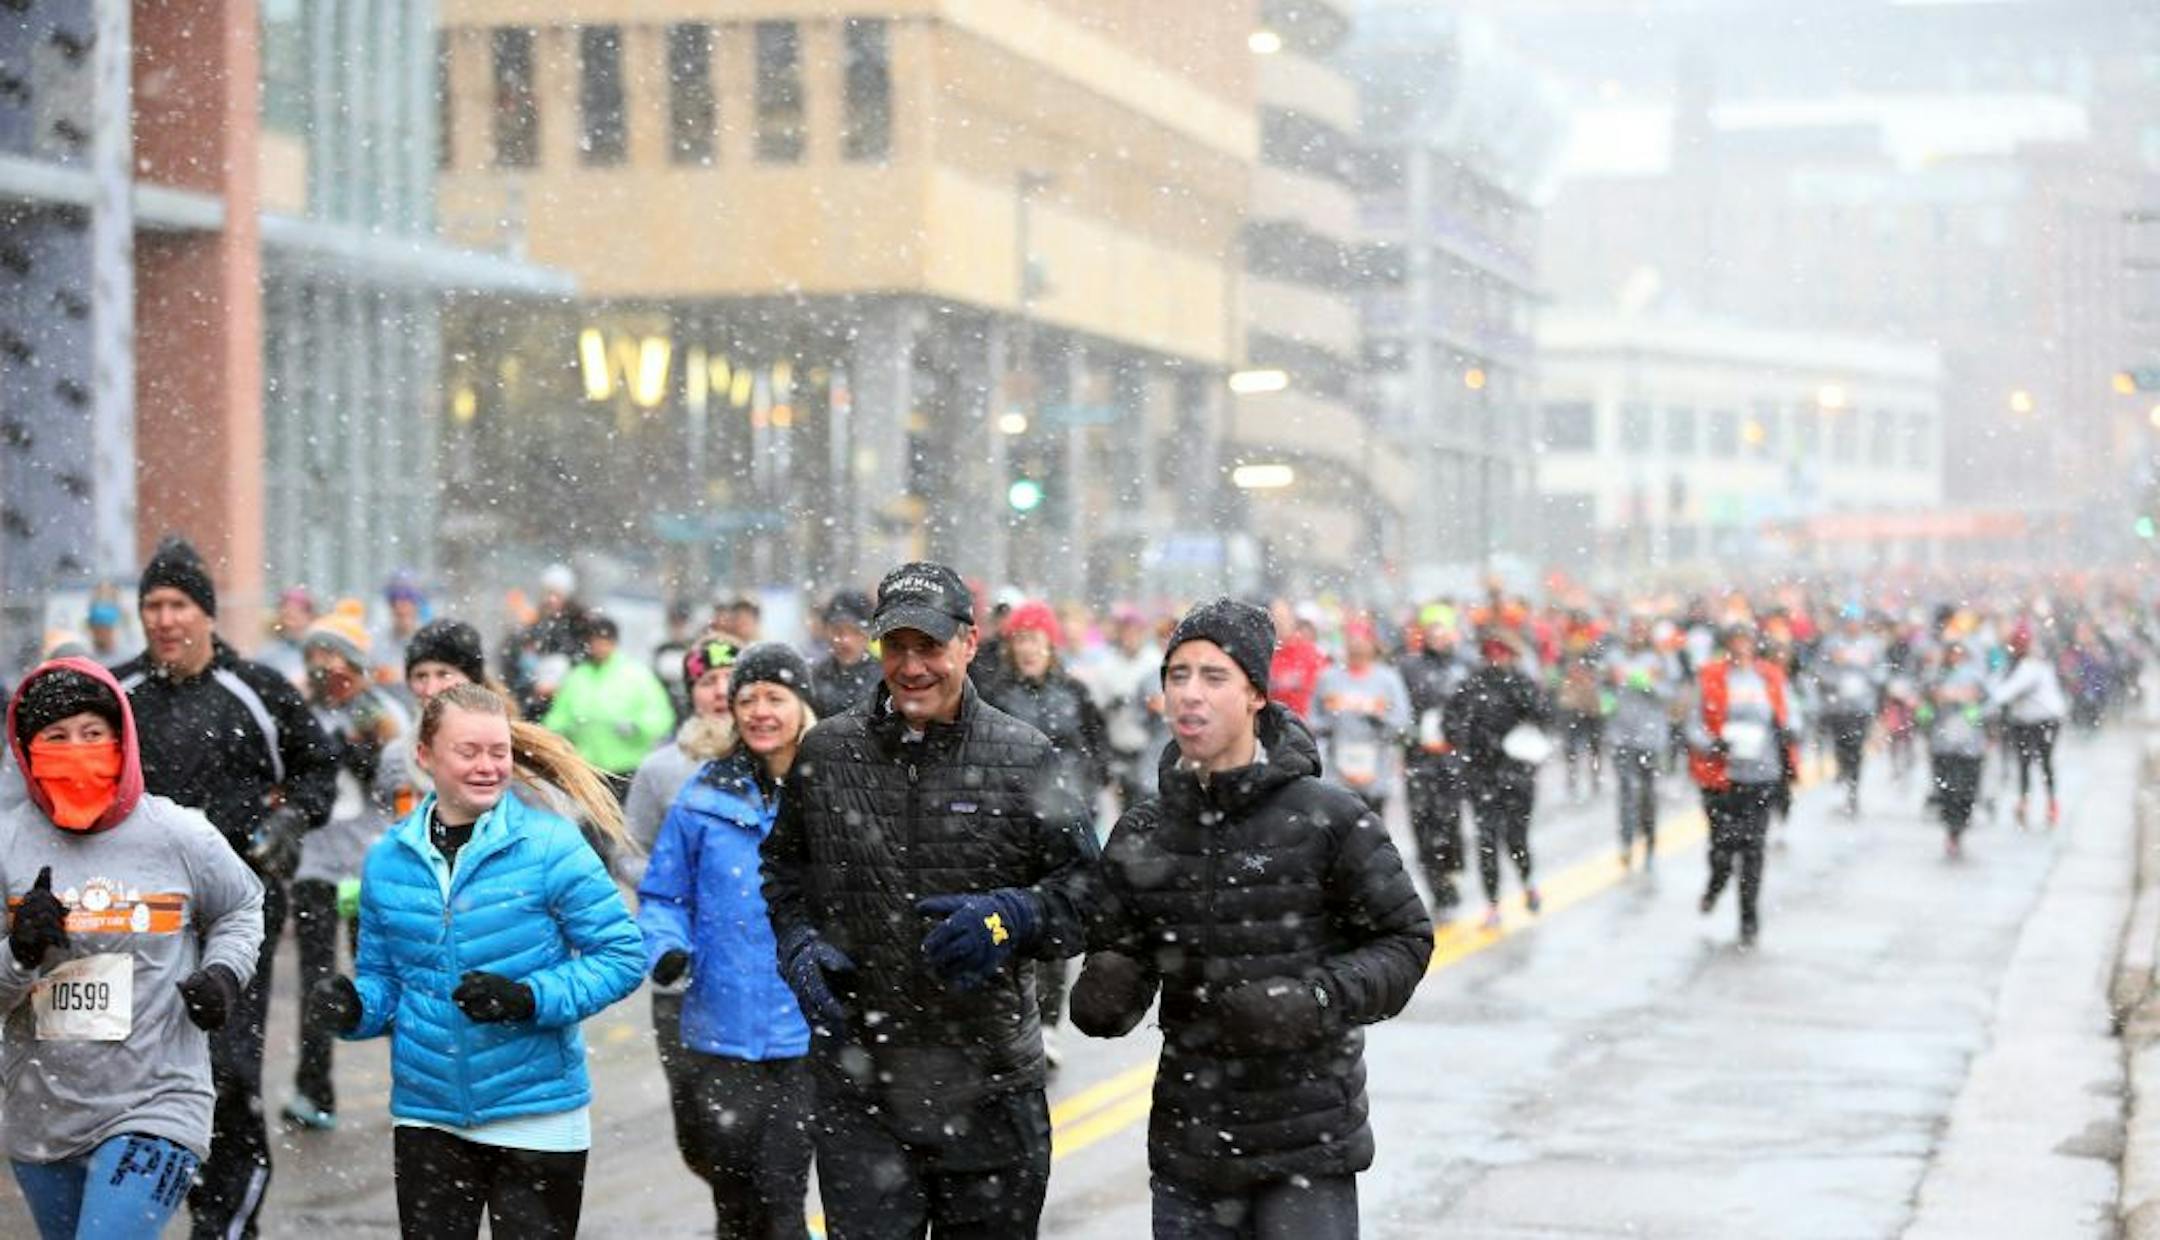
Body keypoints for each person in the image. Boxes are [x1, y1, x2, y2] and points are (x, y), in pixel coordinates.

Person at [1067, 598, 1433, 1239]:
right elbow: (1125, 953)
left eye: (1213, 677)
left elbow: (1405, 942)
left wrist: (1315, 996)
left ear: (1256, 694)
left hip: (1304, 1151)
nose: (1190, 695)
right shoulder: (1145, 829)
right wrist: (1112, 982)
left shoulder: (1328, 817)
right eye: (1177, 676)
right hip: (1191, 1146)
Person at [759, 561, 1094, 1239]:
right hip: (863, 1086)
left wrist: (1011, 916)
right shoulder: (826, 752)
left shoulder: (1028, 756)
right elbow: (784, 874)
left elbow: (1088, 897)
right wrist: (797, 945)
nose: (912, 666)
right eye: (897, 647)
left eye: (930, 647)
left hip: (992, 1086)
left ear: (970, 644)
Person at [306, 684, 645, 1239]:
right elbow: (387, 985)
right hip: (428, 1113)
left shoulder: (551, 845)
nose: (488, 767)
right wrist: (351, 1008)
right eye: (469, 752)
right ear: (424, 756)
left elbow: (622, 955)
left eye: (498, 751)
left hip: (538, 1116)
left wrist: (529, 997)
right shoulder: (389, 859)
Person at [114, 536, 337, 1240]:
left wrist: (293, 821)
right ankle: (127, 1212)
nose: (163, 618)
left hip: (233, 917)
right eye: (151, 604)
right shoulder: (118, 696)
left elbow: (320, 770)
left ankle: (226, 1223)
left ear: (206, 613)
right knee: (130, 1075)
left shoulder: (258, 691)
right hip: (132, 918)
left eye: (178, 603)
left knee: (228, 1071)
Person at [1, 659, 265, 1240]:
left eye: (93, 734)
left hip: (157, 1102)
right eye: (56, 737)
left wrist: (223, 973)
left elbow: (243, 906)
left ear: (122, 741)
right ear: (27, 751)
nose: (77, 750)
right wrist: (17, 952)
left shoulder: (178, 834)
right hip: (42, 1110)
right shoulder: (8, 845)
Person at [637, 643, 820, 1238]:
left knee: (783, 1198)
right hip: (720, 1030)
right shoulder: (701, 797)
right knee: (733, 1202)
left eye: (775, 697)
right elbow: (665, 895)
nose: (760, 711)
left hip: (804, 1033)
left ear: (803, 706)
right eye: (747, 699)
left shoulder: (833, 793)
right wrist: (665, 946)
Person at [284, 609, 411, 1131]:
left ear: (354, 661)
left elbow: (403, 780)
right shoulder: (300, 711)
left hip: (368, 866)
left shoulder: (380, 713)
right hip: (315, 865)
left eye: (330, 655)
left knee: (379, 978)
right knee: (317, 984)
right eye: (313, 654)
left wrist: (365, 752)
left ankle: (419, 1080)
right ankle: (314, 1091)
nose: (320, 666)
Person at [975, 600, 1110, 1071]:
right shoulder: (991, 693)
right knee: (1007, 920)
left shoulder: (1074, 695)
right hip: (1008, 825)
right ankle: (1009, 1017)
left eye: (1036, 639)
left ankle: (1048, 1024)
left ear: (1051, 644)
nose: (1028, 649)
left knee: (1055, 923)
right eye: (1020, 640)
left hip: (1062, 826)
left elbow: (1098, 754)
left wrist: (1080, 795)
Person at [1686, 624, 1798, 947]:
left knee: (1753, 848)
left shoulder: (1771, 677)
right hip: (1720, 776)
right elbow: (1692, 723)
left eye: (1746, 642)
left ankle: (1749, 918)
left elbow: (1795, 714)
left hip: (1762, 774)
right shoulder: (1709, 676)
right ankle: (1716, 884)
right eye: (1735, 642)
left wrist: (1790, 731)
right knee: (1722, 848)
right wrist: (1713, 744)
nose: (1741, 649)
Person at [1447, 629, 1550, 930]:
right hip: (1481, 775)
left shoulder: (1521, 682)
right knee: (1486, 841)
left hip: (1517, 774)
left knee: (1516, 837)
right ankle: (1492, 905)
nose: (1496, 659)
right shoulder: (1471, 684)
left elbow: (1545, 715)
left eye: (1502, 653)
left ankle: (1528, 882)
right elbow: (1449, 721)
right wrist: (1464, 740)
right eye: (1491, 653)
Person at [622, 633, 739, 881]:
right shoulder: (659, 769)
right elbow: (630, 855)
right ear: (691, 695)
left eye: (731, 678)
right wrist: (675, 886)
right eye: (707, 681)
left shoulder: (775, 759)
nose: (721, 691)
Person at [542, 614, 676, 795]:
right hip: (586, 768)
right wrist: (568, 729)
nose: (599, 646)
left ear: (614, 642)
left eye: (604, 640)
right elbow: (555, 719)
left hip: (628, 769)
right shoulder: (577, 677)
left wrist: (637, 727)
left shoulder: (636, 675)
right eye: (594, 640)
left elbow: (661, 715)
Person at [1399, 610, 1472, 921]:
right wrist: (1408, 735)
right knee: (1422, 824)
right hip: (1420, 758)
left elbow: (1475, 707)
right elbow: (1398, 707)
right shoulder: (1408, 667)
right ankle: (1437, 886)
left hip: (1453, 759)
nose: (1437, 636)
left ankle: (1451, 870)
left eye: (1443, 630)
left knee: (1449, 821)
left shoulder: (1463, 666)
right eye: (1432, 630)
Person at [1311, 619, 1413, 815]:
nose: (1357, 647)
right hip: (1337, 773)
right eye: (1352, 641)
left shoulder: (1388, 679)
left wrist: (1378, 718)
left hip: (1376, 773)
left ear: (1373, 644)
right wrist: (1332, 721)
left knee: (1372, 830)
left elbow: (1402, 722)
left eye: (1362, 641)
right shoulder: (1328, 677)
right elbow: (1313, 720)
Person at [1607, 616, 1675, 870]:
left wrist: (1648, 685)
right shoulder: (1614, 658)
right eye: (1632, 628)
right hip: (1621, 735)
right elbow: (1604, 686)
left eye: (1640, 629)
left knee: (1647, 794)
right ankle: (1625, 844)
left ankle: (1649, 846)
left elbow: (1670, 693)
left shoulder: (1659, 659)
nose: (1635, 634)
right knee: (1625, 791)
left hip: (1650, 738)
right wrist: (1606, 699)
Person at [1989, 624, 2066, 828]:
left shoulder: (2033, 665)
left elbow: (2006, 691)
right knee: (2024, 762)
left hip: (2044, 719)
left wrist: (1987, 700)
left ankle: (2050, 803)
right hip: (2023, 720)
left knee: (2044, 762)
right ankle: (2024, 801)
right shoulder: (2013, 664)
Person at [1813, 607, 1881, 818]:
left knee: (1857, 749)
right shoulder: (1831, 644)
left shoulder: (1872, 644)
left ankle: (1853, 791)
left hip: (1861, 706)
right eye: (1850, 621)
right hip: (1838, 707)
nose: (1853, 626)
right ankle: (1843, 777)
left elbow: (1881, 672)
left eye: (1856, 621)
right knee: (1841, 747)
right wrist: (1834, 678)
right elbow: (1818, 671)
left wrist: (1869, 678)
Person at [1925, 641, 1988, 858]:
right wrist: (1939, 698)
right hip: (1943, 744)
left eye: (1961, 655)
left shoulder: (1977, 677)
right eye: (1953, 654)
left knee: (1967, 790)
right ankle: (1951, 828)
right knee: (1947, 789)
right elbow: (1926, 702)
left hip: (1970, 745)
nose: (1956, 659)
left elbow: (1989, 702)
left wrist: (1975, 703)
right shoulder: (1936, 676)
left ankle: (1961, 825)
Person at [502, 564, 587, 720]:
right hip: (529, 700)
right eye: (548, 593)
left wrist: (559, 685)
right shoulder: (532, 621)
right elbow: (511, 659)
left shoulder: (579, 624)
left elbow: (581, 658)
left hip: (564, 704)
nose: (551, 599)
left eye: (557, 594)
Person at [808, 590, 882, 719]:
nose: (846, 641)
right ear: (826, 632)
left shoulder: (886, 677)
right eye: (838, 631)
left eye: (855, 631)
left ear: (869, 633)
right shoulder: (815, 678)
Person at [257, 586, 316, 688]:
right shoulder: (269, 655)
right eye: (287, 616)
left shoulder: (319, 651)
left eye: (295, 616)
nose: (291, 623)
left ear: (309, 616)